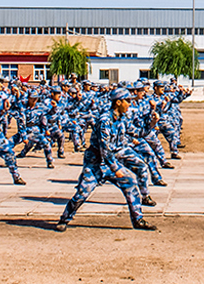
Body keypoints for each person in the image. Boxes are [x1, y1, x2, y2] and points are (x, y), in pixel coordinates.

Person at [55, 87, 156, 232]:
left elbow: (138, 133)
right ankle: (64, 219)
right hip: (96, 162)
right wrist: (116, 169)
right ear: (118, 102)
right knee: (83, 192)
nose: (130, 104)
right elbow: (104, 149)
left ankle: (138, 219)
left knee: (131, 184)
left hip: (112, 160)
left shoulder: (122, 119)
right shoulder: (105, 120)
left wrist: (151, 124)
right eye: (127, 101)